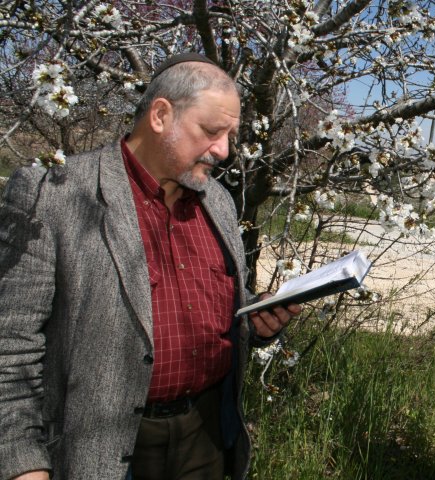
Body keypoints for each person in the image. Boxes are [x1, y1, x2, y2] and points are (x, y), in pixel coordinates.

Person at [0, 53, 300, 480]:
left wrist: (256, 316)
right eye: (212, 132)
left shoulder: (216, 200)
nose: (224, 151)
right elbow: (10, 346)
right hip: (101, 450)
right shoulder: (53, 193)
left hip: (208, 436)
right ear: (161, 115)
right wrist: (23, 466)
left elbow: (218, 309)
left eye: (230, 135)